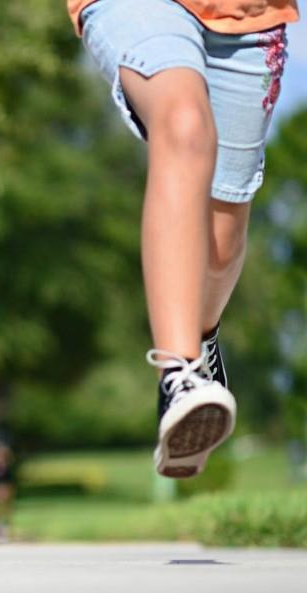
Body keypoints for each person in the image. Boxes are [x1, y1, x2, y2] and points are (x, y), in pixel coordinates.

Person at [66, 0, 298, 478]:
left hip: (248, 15)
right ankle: (180, 374)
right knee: (184, 124)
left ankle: (201, 340)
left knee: (220, 244)